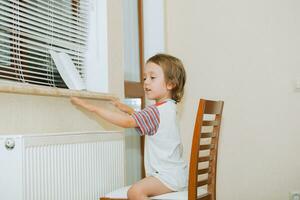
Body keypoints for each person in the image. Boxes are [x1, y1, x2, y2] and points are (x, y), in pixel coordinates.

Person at [71, 53, 187, 200]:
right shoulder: (169, 108)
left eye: (152, 77)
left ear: (171, 84)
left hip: (167, 177)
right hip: (177, 174)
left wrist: (93, 108)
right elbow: (146, 122)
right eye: (144, 78)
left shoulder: (155, 111)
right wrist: (128, 109)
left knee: (134, 192)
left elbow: (127, 122)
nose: (146, 82)